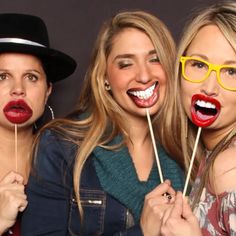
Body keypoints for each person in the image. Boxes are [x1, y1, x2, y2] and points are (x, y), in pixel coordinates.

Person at [21, 11, 185, 235]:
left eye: (155, 59)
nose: (144, 76)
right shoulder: (62, 146)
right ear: (105, 78)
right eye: (126, 64)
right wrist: (142, 232)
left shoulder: (188, 150)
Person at [160, 1, 236, 235]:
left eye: (231, 71)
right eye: (199, 65)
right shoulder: (211, 157)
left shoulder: (229, 167)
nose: (209, 87)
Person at [0, 13, 76, 236]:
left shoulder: (71, 164)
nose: (18, 89)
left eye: (31, 77)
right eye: (2, 76)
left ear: (48, 91)